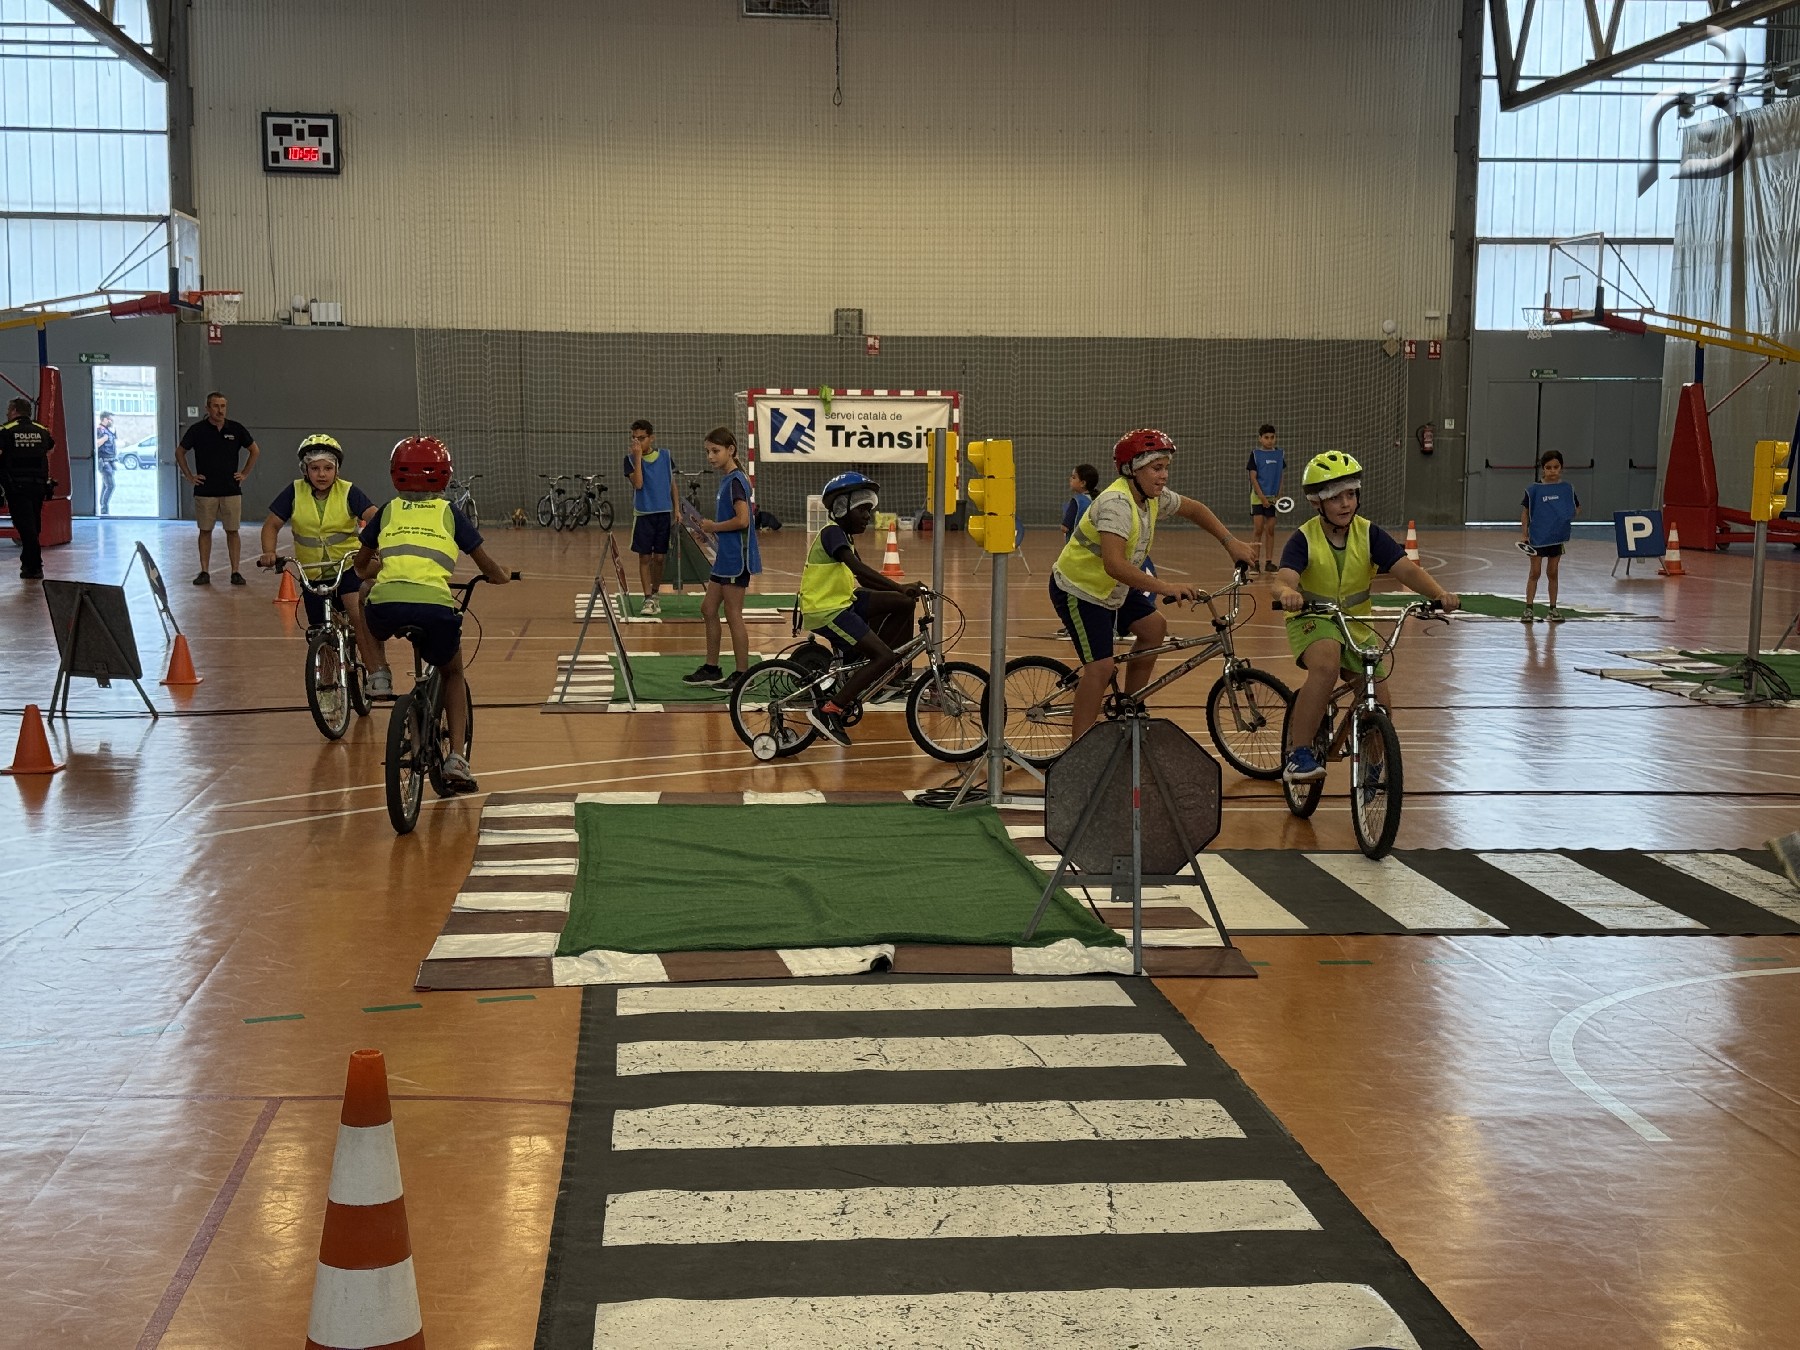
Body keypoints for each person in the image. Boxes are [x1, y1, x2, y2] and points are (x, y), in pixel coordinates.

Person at [1050, 429, 1258, 741]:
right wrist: (1165, 587)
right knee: (1101, 669)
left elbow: (1195, 509)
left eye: (1166, 468)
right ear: (1131, 470)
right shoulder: (1117, 504)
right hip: (1080, 590)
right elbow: (1114, 564)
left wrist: (1231, 543)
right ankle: (1077, 752)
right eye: (1156, 468)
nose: (1164, 476)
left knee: (1153, 628)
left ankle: (1130, 707)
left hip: (1112, 588)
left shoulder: (1152, 498)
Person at [1272, 450, 1459, 783]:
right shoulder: (1304, 538)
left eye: (1351, 494)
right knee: (1326, 665)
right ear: (1316, 502)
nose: (1346, 503)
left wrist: (1438, 593)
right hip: (1313, 618)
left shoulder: (1369, 534)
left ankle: (1371, 767)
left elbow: (1406, 569)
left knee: (1380, 699)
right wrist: (1287, 592)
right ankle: (1298, 754)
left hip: (1356, 624)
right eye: (1335, 497)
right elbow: (1283, 578)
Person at [352, 436, 510, 791]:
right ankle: (457, 757)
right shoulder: (449, 512)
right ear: (445, 475)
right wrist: (501, 576)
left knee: (363, 595)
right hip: (434, 609)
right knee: (453, 673)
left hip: (387, 607)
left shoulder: (387, 510)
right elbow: (484, 562)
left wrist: (386, 567)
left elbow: (361, 567)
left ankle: (379, 674)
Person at [257, 434, 392, 697]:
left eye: (328, 468)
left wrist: (377, 545)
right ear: (305, 470)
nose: (322, 474)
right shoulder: (294, 492)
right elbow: (271, 524)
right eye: (315, 468)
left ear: (336, 470)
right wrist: (269, 552)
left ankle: (377, 673)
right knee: (320, 629)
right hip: (312, 571)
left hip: (347, 566)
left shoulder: (348, 491)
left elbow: (374, 517)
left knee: (357, 614)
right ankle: (328, 687)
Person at [798, 471, 926, 746]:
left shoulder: (844, 535)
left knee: (903, 603)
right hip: (827, 610)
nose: (868, 515)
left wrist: (903, 591)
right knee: (883, 656)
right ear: (841, 508)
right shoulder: (832, 533)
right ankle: (830, 710)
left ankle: (883, 672)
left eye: (870, 509)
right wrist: (899, 585)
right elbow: (858, 568)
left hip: (844, 601)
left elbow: (865, 580)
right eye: (863, 510)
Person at [683, 428, 761, 693]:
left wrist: (714, 526)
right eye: (707, 451)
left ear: (731, 450)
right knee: (708, 608)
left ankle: (743, 674)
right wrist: (710, 532)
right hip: (724, 557)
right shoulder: (727, 481)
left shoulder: (737, 481)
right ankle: (712, 668)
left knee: (733, 613)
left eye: (715, 451)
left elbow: (743, 520)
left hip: (736, 559)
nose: (710, 456)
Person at [175, 391, 260, 586]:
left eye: (223, 406)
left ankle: (235, 572)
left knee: (233, 531)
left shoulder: (236, 429)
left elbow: (254, 450)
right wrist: (189, 475)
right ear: (207, 408)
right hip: (205, 490)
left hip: (231, 489)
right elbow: (180, 452)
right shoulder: (197, 430)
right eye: (215, 406)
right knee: (205, 530)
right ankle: (204, 571)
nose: (220, 410)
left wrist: (244, 473)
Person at [623, 418, 676, 614]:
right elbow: (638, 484)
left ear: (651, 438)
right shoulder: (629, 460)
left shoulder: (665, 456)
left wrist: (677, 509)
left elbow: (672, 484)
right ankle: (647, 598)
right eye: (634, 438)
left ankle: (655, 593)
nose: (637, 442)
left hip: (663, 513)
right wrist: (638, 457)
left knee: (660, 558)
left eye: (641, 438)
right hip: (644, 514)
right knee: (644, 557)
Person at [1521, 449, 1580, 624]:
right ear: (1543, 469)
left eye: (1556, 467)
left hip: (1557, 537)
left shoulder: (1567, 488)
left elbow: (1576, 508)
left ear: (1561, 467)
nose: (1552, 471)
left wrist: (1566, 515)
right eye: (1548, 467)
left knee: (1552, 572)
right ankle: (1528, 609)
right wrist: (1524, 534)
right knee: (1535, 572)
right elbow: (1525, 513)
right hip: (1537, 538)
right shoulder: (1533, 490)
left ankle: (1553, 609)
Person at [0, 396, 54, 581]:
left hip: (16, 486)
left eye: (9, 410)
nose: (7, 413)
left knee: (25, 526)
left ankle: (34, 566)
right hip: (38, 485)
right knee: (33, 525)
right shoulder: (41, 430)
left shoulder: (6, 430)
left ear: (15, 411)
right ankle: (30, 563)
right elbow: (50, 448)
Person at [1247, 423, 1285, 573]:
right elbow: (1253, 478)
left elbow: (1280, 476)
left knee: (1270, 529)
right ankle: (1254, 562)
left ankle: (1269, 563)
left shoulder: (1279, 455)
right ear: (1260, 439)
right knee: (1258, 529)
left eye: (1272, 437)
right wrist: (1262, 497)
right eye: (1266, 437)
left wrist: (1279, 494)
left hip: (1272, 498)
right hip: (1258, 498)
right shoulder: (1256, 455)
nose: (1270, 440)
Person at [95, 412, 117, 516]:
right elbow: (96, 444)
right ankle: (104, 509)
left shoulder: (108, 430)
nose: (111, 421)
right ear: (104, 419)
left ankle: (103, 507)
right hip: (104, 461)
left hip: (110, 461)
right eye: (109, 419)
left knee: (106, 485)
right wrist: (104, 439)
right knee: (110, 485)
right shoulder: (100, 430)